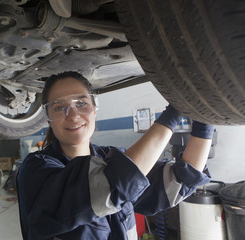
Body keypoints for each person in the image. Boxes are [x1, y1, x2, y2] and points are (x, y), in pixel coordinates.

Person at [16, 71, 215, 240]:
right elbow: (110, 184)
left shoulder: (111, 157)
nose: (73, 115)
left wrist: (204, 118)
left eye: (82, 103)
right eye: (59, 107)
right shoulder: (36, 170)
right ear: (48, 119)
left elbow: (180, 181)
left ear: (94, 109)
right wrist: (174, 112)